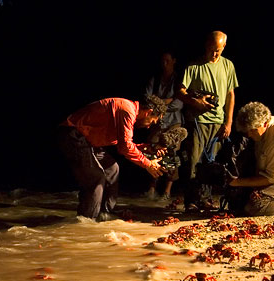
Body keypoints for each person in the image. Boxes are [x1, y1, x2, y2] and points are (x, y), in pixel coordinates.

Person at [58, 95, 167, 221]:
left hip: (86, 141)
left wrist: (150, 148)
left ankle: (104, 214)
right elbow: (125, 146)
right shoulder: (127, 110)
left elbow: (123, 144)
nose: (148, 127)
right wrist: (147, 163)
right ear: (148, 112)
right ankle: (86, 222)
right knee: (96, 177)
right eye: (151, 121)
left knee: (112, 168)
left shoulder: (127, 109)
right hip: (71, 134)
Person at [177, 31, 238, 211]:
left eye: (218, 51)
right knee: (194, 161)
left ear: (224, 47)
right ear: (206, 45)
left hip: (218, 122)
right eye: (211, 50)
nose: (214, 54)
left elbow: (230, 95)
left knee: (212, 163)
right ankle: (192, 201)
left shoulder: (228, 66)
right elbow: (180, 91)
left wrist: (228, 122)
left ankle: (206, 198)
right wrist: (195, 102)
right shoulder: (193, 66)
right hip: (198, 121)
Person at [144, 51, 184, 201]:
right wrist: (167, 101)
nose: (164, 63)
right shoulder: (155, 79)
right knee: (153, 151)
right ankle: (151, 188)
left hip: (174, 122)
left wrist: (160, 103)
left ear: (174, 61)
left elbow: (179, 103)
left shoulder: (179, 80)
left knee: (172, 154)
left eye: (168, 60)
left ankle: (167, 191)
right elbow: (148, 100)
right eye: (163, 61)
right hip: (157, 121)